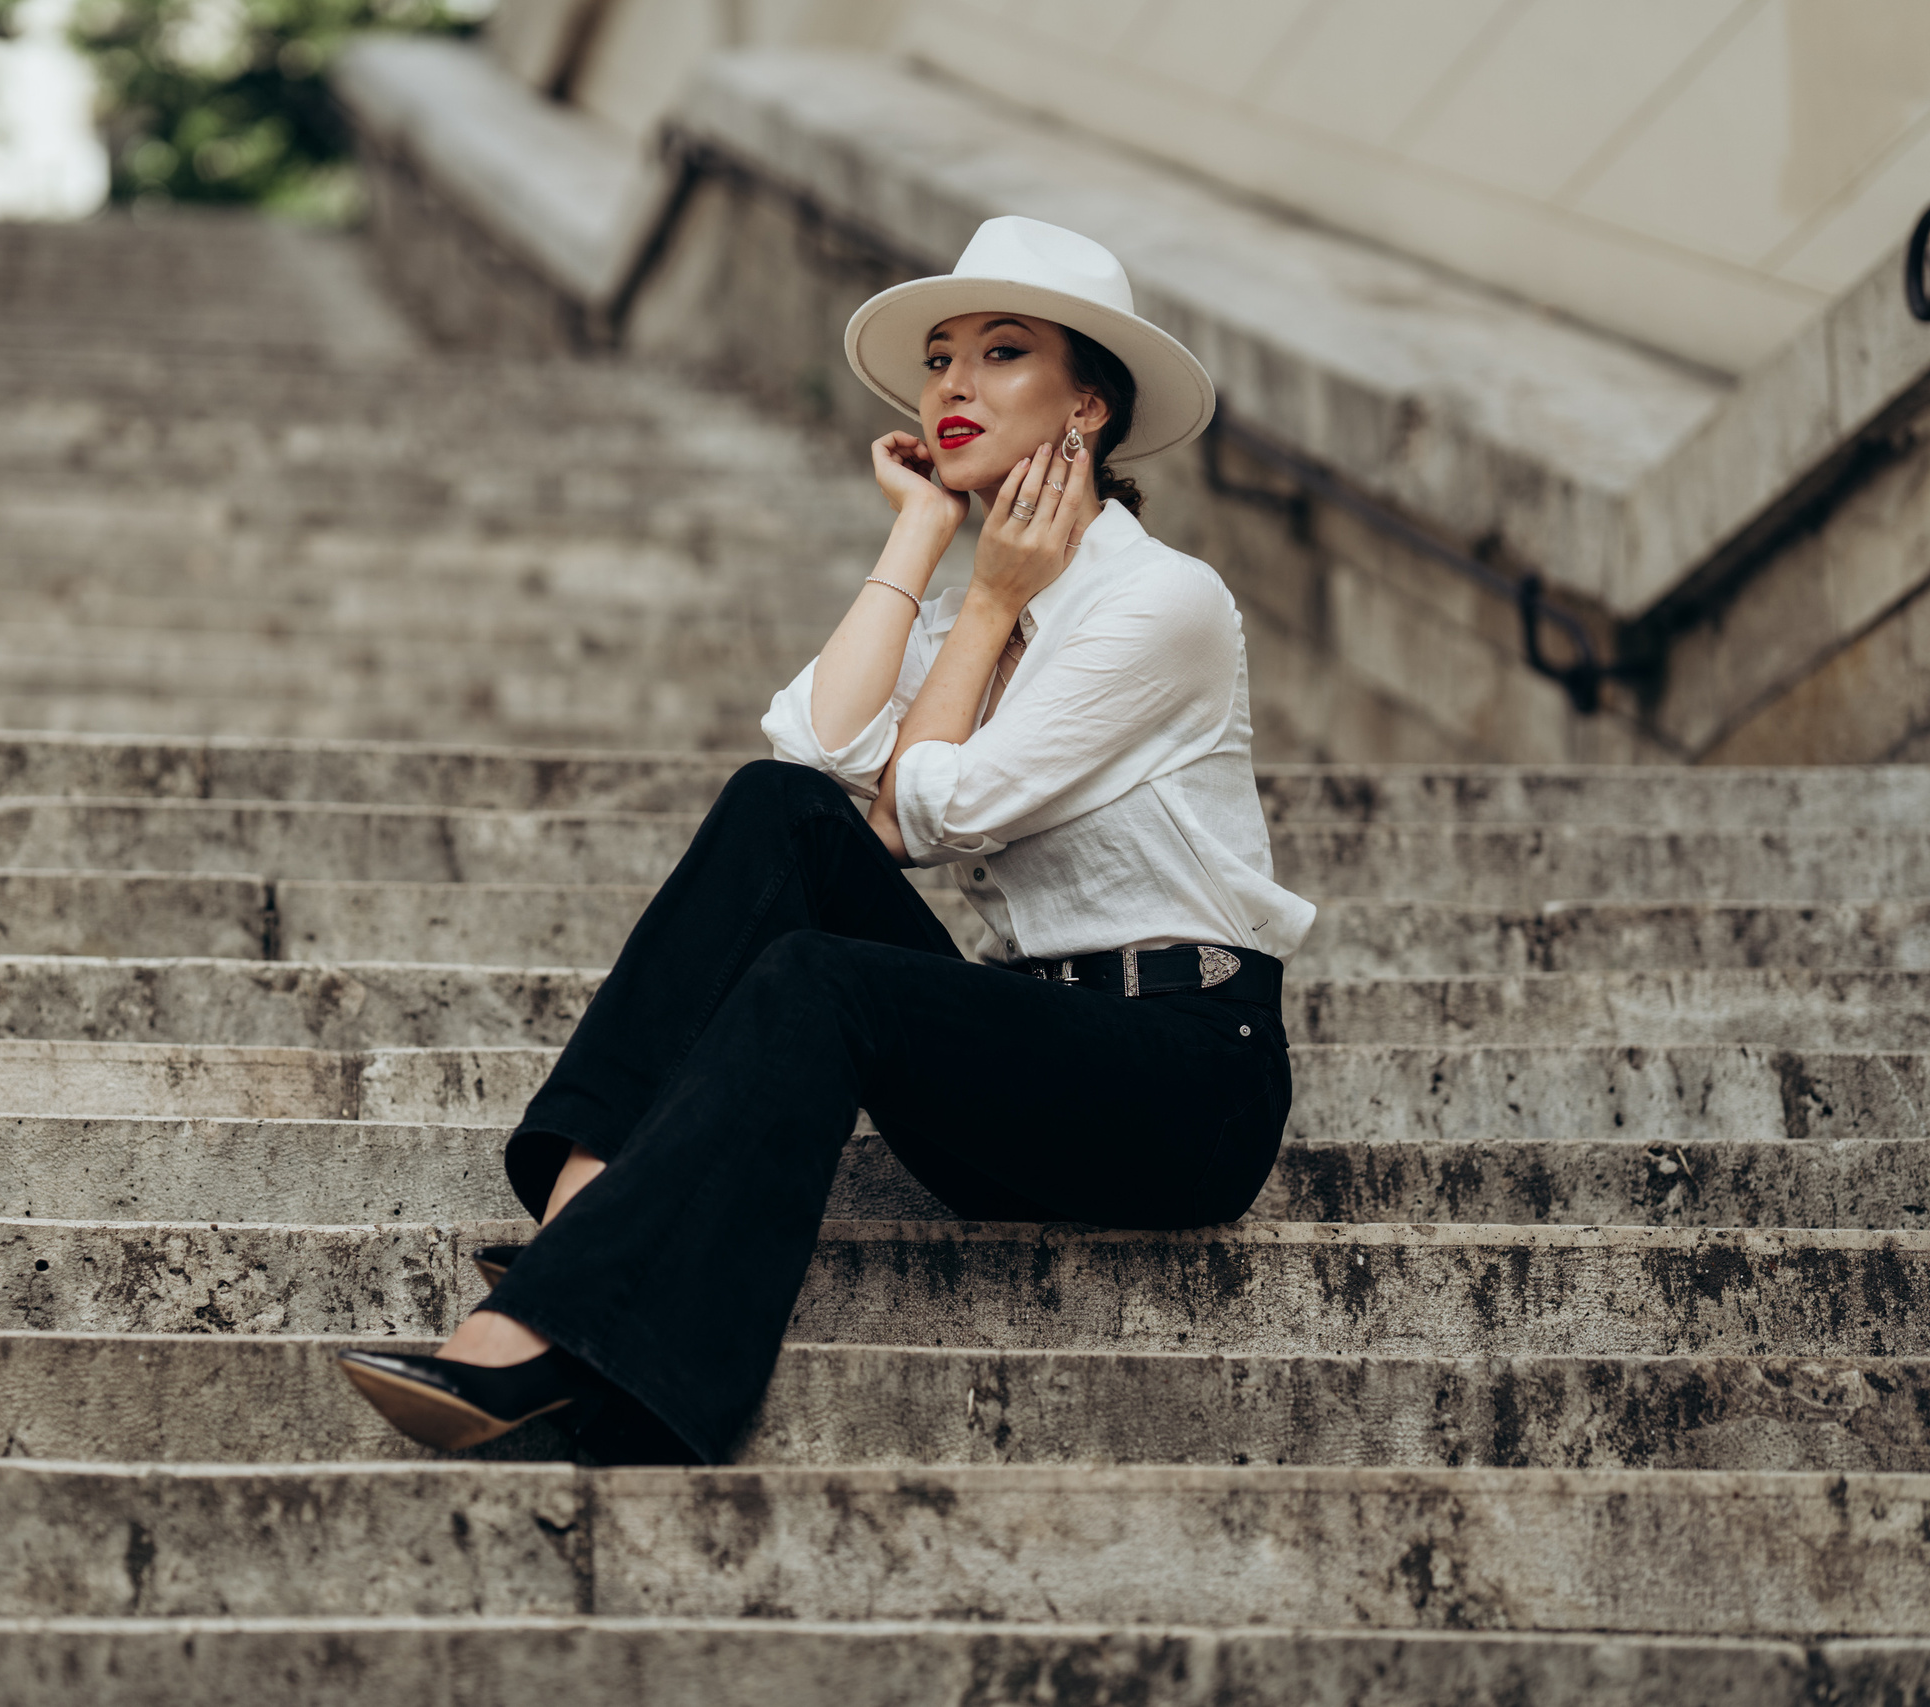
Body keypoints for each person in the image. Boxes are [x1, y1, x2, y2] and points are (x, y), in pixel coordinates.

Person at [337, 216, 1315, 1466]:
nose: (952, 383)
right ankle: (580, 1231)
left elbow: (918, 816)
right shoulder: (977, 606)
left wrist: (1002, 597)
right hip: (1019, 1066)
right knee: (773, 808)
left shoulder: (1162, 602)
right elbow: (817, 754)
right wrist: (919, 532)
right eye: (940, 358)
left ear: (1088, 409)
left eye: (1002, 353)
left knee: (820, 975)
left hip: (1179, 1087)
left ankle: (595, 1357)